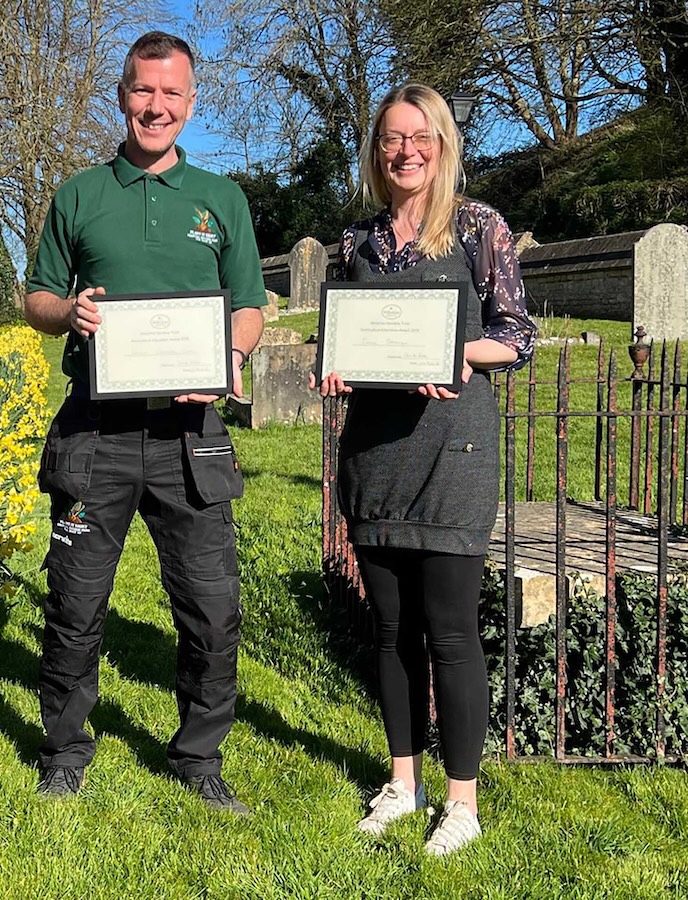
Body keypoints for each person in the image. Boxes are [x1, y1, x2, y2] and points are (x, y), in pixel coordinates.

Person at [23, 31, 266, 814]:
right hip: (94, 432)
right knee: (74, 601)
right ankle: (64, 749)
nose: (155, 107)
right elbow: (36, 300)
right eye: (142, 91)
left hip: (190, 437)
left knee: (210, 607)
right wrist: (70, 311)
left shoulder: (221, 201)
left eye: (171, 94)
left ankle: (198, 756)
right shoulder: (79, 195)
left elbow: (251, 309)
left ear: (190, 104)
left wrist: (228, 353)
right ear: (121, 95)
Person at [312, 83, 536, 855]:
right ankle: (402, 784)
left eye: (419, 137)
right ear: (376, 152)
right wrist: (332, 368)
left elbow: (516, 336)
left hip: (454, 455)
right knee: (391, 631)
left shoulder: (479, 228)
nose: (404, 151)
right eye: (390, 140)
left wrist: (456, 353)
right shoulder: (355, 244)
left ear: (442, 144)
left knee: (450, 633)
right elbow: (337, 341)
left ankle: (462, 802)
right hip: (374, 458)